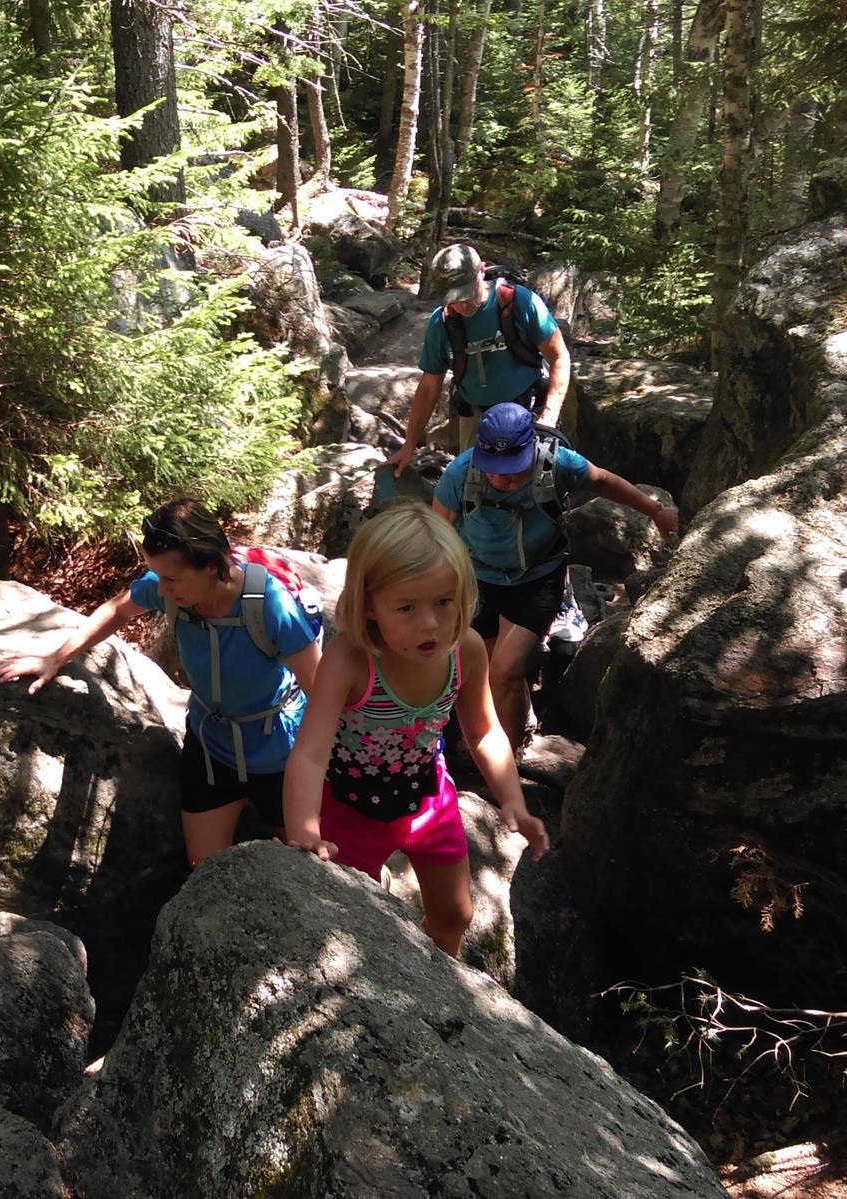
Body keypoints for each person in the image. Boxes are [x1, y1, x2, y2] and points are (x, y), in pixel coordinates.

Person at [0, 498, 322, 869]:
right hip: (212, 746)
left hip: (278, 750)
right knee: (207, 872)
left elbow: (322, 693)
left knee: (304, 862)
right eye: (157, 576)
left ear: (211, 566)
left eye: (171, 578)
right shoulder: (170, 588)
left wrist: (318, 783)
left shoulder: (268, 605)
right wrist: (55, 657)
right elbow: (118, 609)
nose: (160, 589)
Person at [282, 503, 549, 956]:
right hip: (350, 810)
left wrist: (513, 800)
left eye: (444, 602)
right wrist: (304, 828)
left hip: (427, 797)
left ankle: (444, 985)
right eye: (406, 607)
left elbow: (483, 731)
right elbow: (311, 751)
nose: (429, 623)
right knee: (347, 923)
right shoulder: (350, 660)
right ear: (369, 605)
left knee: (456, 914)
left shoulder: (464, 649)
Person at [433, 402, 679, 749]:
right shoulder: (461, 475)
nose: (505, 478)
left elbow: (604, 482)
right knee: (490, 671)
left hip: (539, 576)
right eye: (496, 470)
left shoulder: (558, 463)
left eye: (514, 469)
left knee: (504, 670)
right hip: (480, 579)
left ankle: (507, 755)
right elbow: (437, 534)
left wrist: (656, 511)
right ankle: (523, 718)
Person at [387, 242, 570, 475]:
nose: (463, 305)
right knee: (474, 490)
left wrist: (549, 417)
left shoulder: (520, 303)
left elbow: (559, 357)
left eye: (467, 293)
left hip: (529, 411)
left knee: (534, 486)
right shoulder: (442, 323)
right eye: (454, 298)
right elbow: (428, 387)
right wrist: (409, 445)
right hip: (475, 418)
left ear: (482, 271)